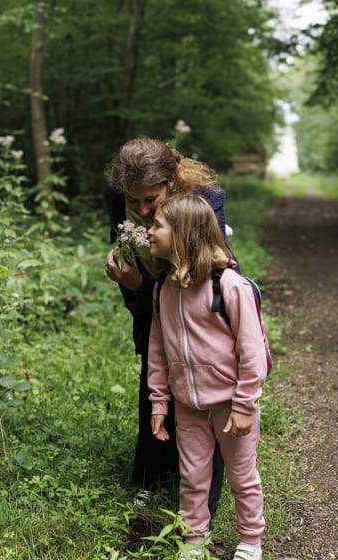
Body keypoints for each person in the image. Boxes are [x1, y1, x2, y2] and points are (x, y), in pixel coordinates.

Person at [103, 138, 232, 510]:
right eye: (133, 202)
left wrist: (149, 288)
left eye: (151, 200)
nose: (142, 211)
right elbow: (121, 240)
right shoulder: (116, 193)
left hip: (198, 293)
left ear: (172, 182)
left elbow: (207, 272)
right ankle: (151, 474)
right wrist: (135, 286)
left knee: (201, 375)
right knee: (155, 370)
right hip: (146, 288)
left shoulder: (206, 197)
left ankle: (204, 480)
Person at [146, 195, 266, 560]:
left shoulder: (228, 286)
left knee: (241, 475)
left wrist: (244, 405)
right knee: (193, 476)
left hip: (231, 404)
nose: (148, 231)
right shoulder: (163, 289)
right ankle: (194, 539)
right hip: (188, 404)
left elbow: (252, 352)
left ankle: (251, 539)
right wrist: (159, 402)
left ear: (183, 234)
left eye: (157, 225)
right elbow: (157, 349)